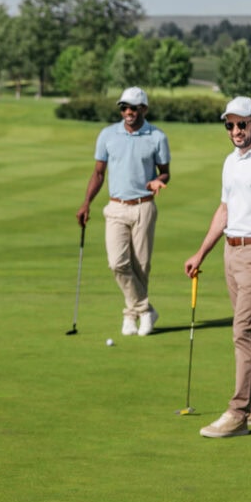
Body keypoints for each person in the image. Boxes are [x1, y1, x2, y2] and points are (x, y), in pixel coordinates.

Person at [184, 96, 251, 438]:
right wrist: (201, 253)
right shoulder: (231, 162)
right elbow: (224, 211)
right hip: (231, 253)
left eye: (241, 124)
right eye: (229, 124)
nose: (235, 130)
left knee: (242, 332)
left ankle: (237, 413)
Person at [75, 86, 171, 337]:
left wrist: (159, 180)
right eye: (124, 107)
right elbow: (98, 173)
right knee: (117, 263)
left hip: (144, 206)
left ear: (144, 109)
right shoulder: (108, 135)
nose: (128, 112)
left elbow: (165, 171)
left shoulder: (157, 136)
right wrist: (86, 203)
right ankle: (145, 310)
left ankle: (131, 316)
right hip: (116, 206)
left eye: (133, 108)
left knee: (141, 267)